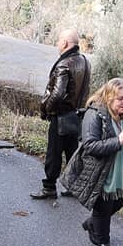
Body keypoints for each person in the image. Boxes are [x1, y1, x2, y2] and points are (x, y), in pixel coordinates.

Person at [59, 78, 123, 246]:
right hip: (100, 170)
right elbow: (91, 146)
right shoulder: (95, 114)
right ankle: (103, 242)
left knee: (117, 202)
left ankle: (92, 224)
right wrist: (118, 141)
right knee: (104, 205)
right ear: (109, 98)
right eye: (120, 99)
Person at [31, 28, 91, 200]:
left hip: (61, 115)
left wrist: (47, 110)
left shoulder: (64, 64)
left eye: (59, 41)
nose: (57, 44)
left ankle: (49, 188)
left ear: (65, 43)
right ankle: (73, 186)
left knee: (54, 153)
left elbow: (57, 93)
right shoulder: (85, 61)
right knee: (72, 151)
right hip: (77, 115)